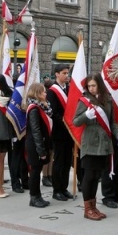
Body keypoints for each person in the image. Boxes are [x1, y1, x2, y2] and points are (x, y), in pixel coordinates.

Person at [73, 73, 118, 220]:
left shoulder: (107, 99)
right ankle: (87, 209)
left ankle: (94, 207)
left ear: (100, 85)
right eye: (89, 86)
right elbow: (75, 121)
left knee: (97, 176)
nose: (91, 88)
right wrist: (85, 117)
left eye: (94, 85)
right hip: (90, 142)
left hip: (104, 144)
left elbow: (112, 122)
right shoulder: (85, 100)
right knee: (89, 176)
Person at [47, 64, 75, 201]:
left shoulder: (69, 89)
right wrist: (64, 122)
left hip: (69, 131)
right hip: (59, 131)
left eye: (67, 73)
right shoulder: (52, 91)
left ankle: (64, 188)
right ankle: (56, 189)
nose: (67, 75)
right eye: (64, 73)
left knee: (67, 161)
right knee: (58, 161)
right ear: (57, 74)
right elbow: (53, 112)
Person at [24, 82, 53, 208]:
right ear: (37, 93)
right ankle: (34, 197)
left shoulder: (40, 107)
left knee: (38, 170)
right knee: (35, 172)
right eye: (43, 91)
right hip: (35, 144)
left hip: (40, 143)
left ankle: (38, 196)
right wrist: (41, 150)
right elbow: (35, 131)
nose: (45, 93)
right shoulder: (34, 109)